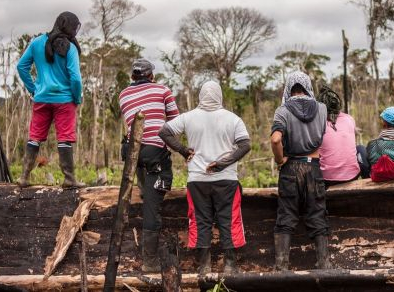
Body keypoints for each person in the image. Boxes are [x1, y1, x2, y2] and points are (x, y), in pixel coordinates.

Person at [159, 81, 250, 275]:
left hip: (197, 180)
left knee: (201, 221)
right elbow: (245, 145)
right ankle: (230, 265)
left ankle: (204, 265)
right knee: (229, 219)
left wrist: (184, 151)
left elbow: (164, 132)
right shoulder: (232, 119)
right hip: (226, 179)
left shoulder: (189, 117)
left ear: (201, 96)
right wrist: (223, 163)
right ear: (219, 96)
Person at [119, 58, 180, 273]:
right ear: (151, 75)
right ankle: (150, 262)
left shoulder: (123, 94)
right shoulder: (163, 90)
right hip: (155, 153)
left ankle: (145, 188)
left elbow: (129, 122)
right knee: (151, 209)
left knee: (143, 170)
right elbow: (175, 122)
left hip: (132, 152)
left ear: (133, 77)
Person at [270, 71, 331, 271]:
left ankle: (281, 267)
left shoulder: (282, 111)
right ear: (308, 87)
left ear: (289, 88)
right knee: (317, 215)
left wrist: (280, 159)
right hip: (313, 167)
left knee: (286, 217)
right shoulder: (322, 108)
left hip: (291, 168)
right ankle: (324, 264)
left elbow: (276, 139)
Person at [16, 11, 85, 188]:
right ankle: (69, 179)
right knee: (65, 138)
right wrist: (76, 98)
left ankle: (24, 177)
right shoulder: (70, 48)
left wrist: (34, 90)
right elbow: (75, 78)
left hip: (41, 99)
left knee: (34, 137)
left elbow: (21, 67)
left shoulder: (37, 42)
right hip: (64, 100)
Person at [318, 86, 370, 188]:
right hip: (352, 175)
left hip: (327, 179)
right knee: (360, 148)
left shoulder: (317, 122)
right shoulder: (349, 119)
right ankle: (367, 179)